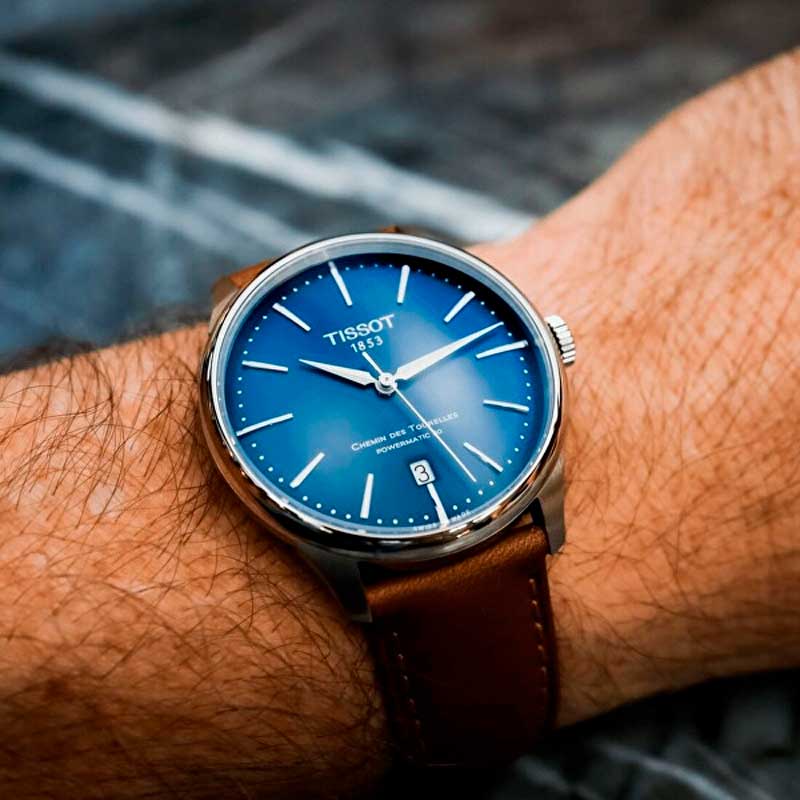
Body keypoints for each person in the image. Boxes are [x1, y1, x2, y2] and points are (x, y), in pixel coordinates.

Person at [0, 50, 798, 799]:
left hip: (495, 491)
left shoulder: (535, 468)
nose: (385, 381)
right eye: (376, 379)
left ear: (550, 342)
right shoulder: (304, 500)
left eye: (391, 373)